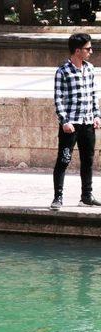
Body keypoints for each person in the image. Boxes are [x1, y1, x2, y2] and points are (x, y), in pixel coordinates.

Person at [51, 33, 101, 211]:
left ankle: (86, 196)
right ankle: (58, 197)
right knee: (64, 160)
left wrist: (97, 115)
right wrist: (64, 121)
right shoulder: (63, 71)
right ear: (77, 50)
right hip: (70, 125)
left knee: (88, 160)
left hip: (88, 123)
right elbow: (59, 99)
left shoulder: (90, 69)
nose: (91, 51)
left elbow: (94, 95)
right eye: (88, 48)